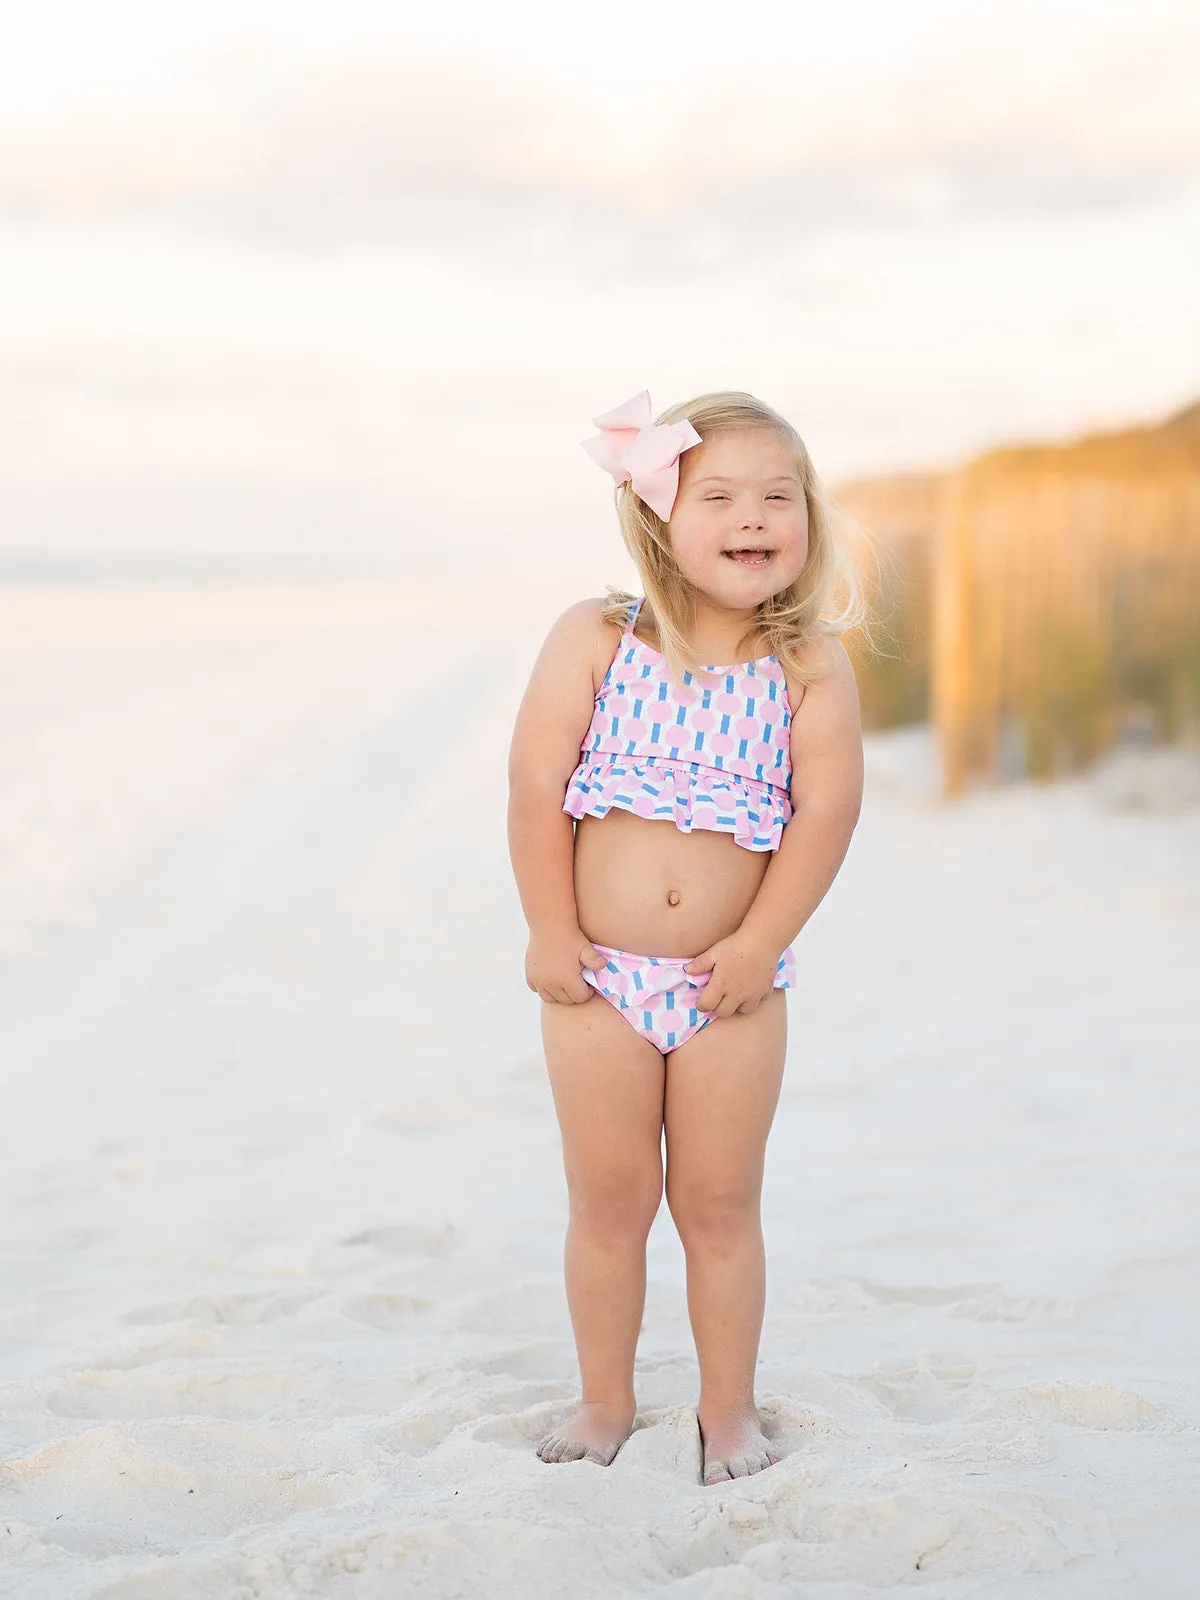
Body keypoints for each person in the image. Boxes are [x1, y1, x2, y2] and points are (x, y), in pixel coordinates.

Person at [506, 388, 865, 1485]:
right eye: (720, 494)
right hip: (601, 981)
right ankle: (606, 1399)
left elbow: (826, 812)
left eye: (779, 496)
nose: (754, 515)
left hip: (731, 987)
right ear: (661, 515)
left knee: (718, 1205)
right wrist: (550, 929)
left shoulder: (808, 663)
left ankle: (728, 1411)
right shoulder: (600, 638)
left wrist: (762, 940)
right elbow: (535, 786)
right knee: (609, 1203)